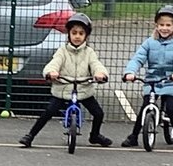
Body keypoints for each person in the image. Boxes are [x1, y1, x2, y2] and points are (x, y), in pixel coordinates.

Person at [19, 12, 111, 148]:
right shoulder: (62, 51)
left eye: (81, 33)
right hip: (62, 89)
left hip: (83, 90)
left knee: (99, 113)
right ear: (69, 34)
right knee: (48, 112)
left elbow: (96, 64)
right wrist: (51, 72)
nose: (77, 36)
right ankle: (30, 136)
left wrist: (100, 74)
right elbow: (54, 63)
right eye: (74, 33)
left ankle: (95, 135)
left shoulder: (89, 52)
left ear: (86, 36)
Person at [121, 4, 173, 150]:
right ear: (156, 25)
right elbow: (138, 58)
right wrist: (130, 72)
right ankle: (134, 136)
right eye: (161, 25)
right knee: (145, 107)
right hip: (152, 79)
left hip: (171, 79)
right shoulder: (149, 42)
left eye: (168, 25)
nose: (164, 28)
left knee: (170, 108)